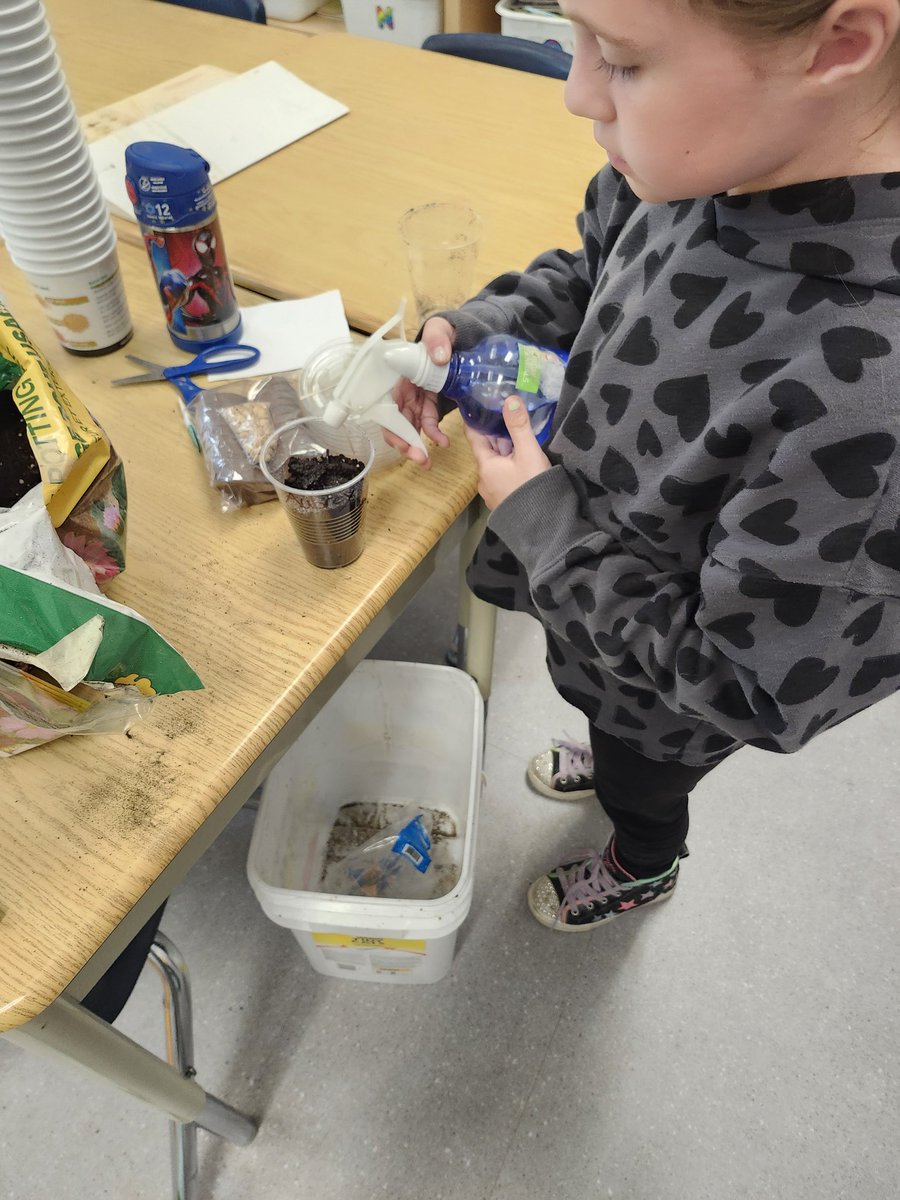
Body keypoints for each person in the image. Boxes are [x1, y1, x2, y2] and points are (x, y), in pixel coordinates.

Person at [388, 0, 900, 932]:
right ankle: (607, 739)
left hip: (674, 695)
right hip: (603, 617)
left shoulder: (872, 399)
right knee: (604, 710)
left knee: (646, 772)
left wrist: (543, 521)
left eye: (620, 60)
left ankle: (642, 858)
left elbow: (743, 684)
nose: (576, 91)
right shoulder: (699, 158)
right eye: (573, 38)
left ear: (841, 44)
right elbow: (589, 270)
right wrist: (477, 330)